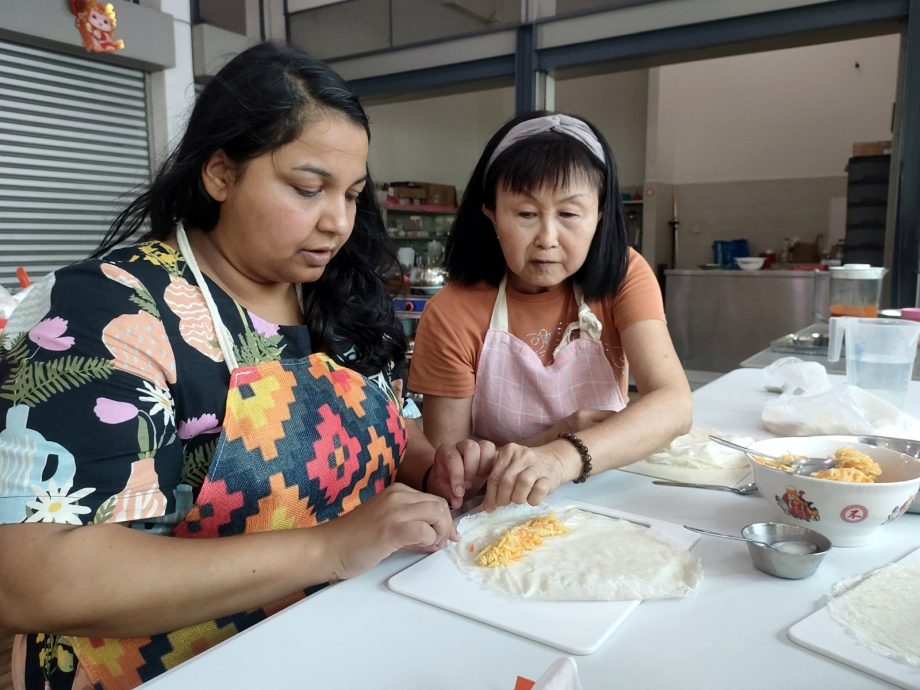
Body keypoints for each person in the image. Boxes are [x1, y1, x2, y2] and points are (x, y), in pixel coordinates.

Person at [0, 41, 492, 690]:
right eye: (308, 189)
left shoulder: (338, 299)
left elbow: (389, 422)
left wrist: (435, 465)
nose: (337, 223)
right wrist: (330, 548)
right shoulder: (114, 310)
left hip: (330, 642)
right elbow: (33, 576)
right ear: (221, 174)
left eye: (352, 195)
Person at [409, 111, 693, 512]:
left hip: (609, 492)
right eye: (526, 214)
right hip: (504, 509)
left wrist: (564, 455)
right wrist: (553, 439)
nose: (547, 239)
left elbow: (673, 403)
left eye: (569, 214)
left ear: (600, 213)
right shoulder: (452, 311)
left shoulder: (623, 275)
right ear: (490, 212)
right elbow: (454, 477)